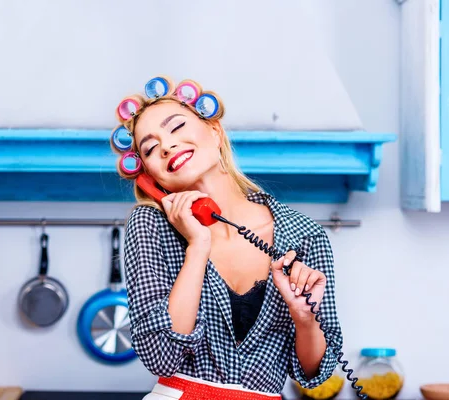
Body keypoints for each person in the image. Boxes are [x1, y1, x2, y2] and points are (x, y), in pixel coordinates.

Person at [110, 76, 343, 399]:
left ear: (215, 131)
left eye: (176, 127)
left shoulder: (305, 235)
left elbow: (315, 374)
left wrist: (305, 318)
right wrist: (197, 247)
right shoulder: (150, 224)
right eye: (150, 148)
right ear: (150, 175)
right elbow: (161, 356)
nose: (166, 146)